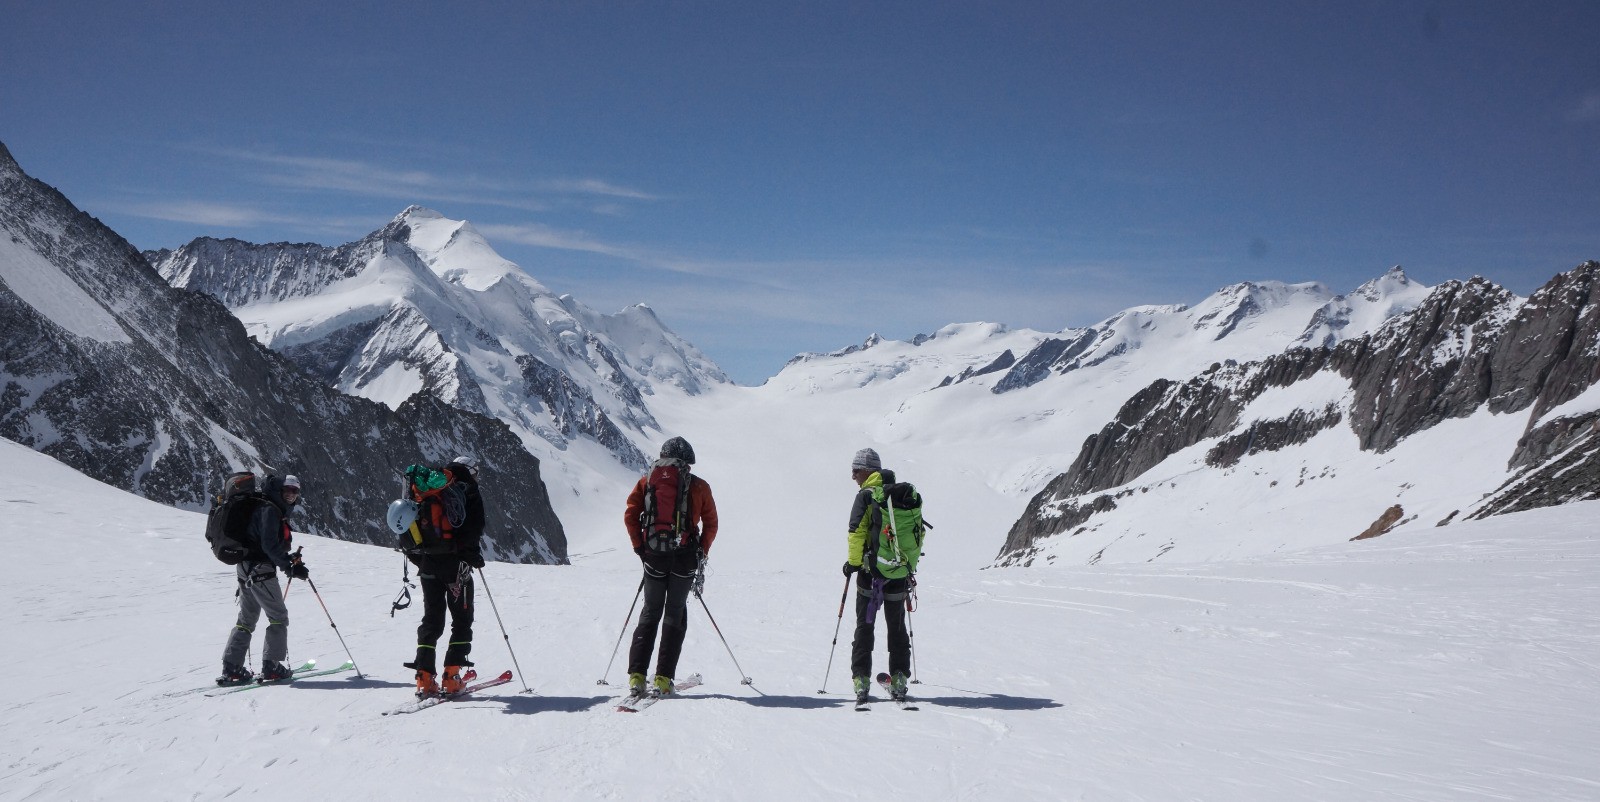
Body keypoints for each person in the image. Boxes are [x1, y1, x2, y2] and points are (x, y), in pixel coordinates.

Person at [623, 436, 718, 698]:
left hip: (654, 556)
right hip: (685, 559)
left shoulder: (647, 482)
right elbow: (711, 523)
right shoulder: (699, 486)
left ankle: (637, 677)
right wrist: (702, 551)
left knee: (650, 612)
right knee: (675, 613)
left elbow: (631, 514)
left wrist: (640, 548)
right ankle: (664, 679)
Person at [402, 456, 485, 697]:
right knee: (461, 618)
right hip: (456, 567)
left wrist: (423, 560)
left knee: (432, 619)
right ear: (470, 471)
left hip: (428, 564)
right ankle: (452, 676)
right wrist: (471, 556)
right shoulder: (466, 489)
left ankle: (424, 677)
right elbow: (475, 527)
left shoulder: (425, 489)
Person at [217, 474, 308, 685]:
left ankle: (232, 668)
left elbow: (264, 543)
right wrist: (288, 566)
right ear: (277, 490)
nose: (291, 495)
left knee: (247, 620)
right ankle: (272, 666)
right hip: (261, 571)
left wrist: (287, 559)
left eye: (295, 491)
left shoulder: (264, 507)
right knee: (278, 616)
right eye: (287, 490)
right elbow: (268, 545)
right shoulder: (270, 510)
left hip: (246, 567)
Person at [843, 448, 914, 703]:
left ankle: (861, 679)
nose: (853, 476)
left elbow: (856, 532)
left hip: (869, 573)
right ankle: (900, 678)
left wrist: (852, 564)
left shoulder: (866, 496)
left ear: (867, 470)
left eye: (856, 470)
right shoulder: (901, 495)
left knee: (865, 626)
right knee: (896, 628)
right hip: (897, 572)